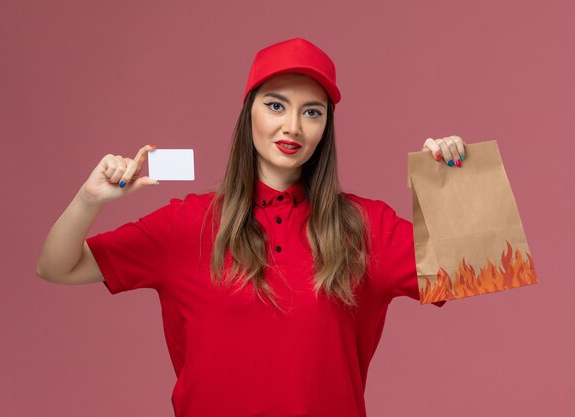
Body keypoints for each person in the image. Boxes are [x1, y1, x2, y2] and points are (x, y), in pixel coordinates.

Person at [37, 37, 467, 417]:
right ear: (249, 114)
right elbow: (58, 266)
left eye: (312, 112)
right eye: (276, 105)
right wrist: (89, 199)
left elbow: (472, 271)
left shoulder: (365, 227)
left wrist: (452, 182)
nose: (292, 126)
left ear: (325, 129)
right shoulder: (188, 223)